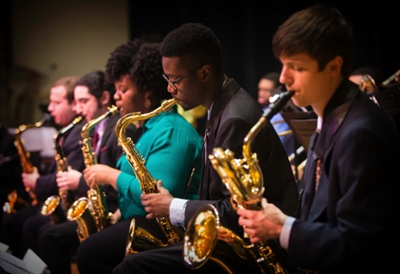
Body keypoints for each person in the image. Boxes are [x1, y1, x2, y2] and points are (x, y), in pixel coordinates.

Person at [113, 22, 298, 274]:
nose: (169, 89)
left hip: (252, 250)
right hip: (229, 236)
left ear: (204, 72)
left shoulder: (234, 118)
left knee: (130, 267)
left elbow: (235, 210)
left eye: (175, 80)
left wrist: (172, 206)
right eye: (166, 79)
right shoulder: (221, 104)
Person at [237, 5, 399, 273]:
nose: (283, 78)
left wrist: (281, 227)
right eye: (283, 65)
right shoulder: (332, 118)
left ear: (334, 66)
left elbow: (354, 246)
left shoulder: (360, 132)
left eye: (296, 67)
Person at [76, 39, 203, 274]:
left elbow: (157, 196)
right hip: (138, 220)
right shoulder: (143, 130)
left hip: (165, 228)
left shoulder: (172, 130)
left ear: (146, 91)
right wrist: (117, 214)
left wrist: (111, 176)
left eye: (123, 90)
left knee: (89, 253)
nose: (116, 97)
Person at [33, 70, 126, 274]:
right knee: (44, 230)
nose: (78, 109)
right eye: (76, 102)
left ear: (104, 98)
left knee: (50, 236)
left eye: (83, 101)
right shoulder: (94, 130)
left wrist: (80, 182)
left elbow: (116, 183)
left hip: (112, 212)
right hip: (95, 205)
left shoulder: (115, 129)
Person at [0, 76, 86, 259]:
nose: (49, 108)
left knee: (27, 226)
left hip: (69, 203)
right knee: (14, 223)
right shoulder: (66, 132)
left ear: (73, 105)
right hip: (57, 198)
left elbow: (65, 176)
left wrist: (37, 182)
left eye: (56, 103)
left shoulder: (80, 133)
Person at [258, 71, 295, 156]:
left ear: (276, 91)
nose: (261, 93)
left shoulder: (282, 115)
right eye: (260, 89)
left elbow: (273, 144)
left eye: (266, 90)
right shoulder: (264, 110)